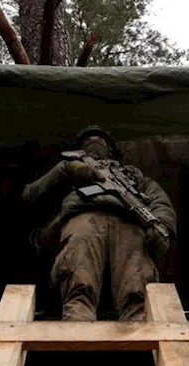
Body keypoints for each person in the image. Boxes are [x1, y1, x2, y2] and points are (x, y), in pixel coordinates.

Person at [22, 126, 177, 321]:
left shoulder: (133, 176)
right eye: (88, 141)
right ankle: (77, 331)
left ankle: (139, 336)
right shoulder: (68, 170)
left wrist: (162, 226)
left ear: (111, 149)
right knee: (79, 277)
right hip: (82, 218)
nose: (95, 143)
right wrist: (64, 169)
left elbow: (159, 201)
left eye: (101, 141)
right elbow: (30, 195)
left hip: (129, 223)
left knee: (137, 286)